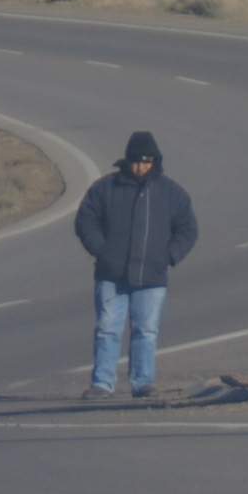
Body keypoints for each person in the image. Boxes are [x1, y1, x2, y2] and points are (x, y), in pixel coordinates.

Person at [73, 130, 198, 399]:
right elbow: (85, 220)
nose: (141, 167)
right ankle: (102, 383)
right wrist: (102, 251)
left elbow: (187, 229)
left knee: (146, 331)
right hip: (111, 275)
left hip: (152, 277)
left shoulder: (171, 194)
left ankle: (143, 382)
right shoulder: (105, 189)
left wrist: (169, 256)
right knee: (108, 328)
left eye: (147, 162)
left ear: (156, 162)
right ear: (127, 160)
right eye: (137, 161)